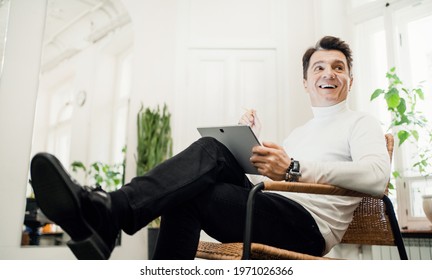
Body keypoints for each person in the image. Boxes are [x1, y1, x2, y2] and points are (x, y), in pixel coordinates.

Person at [29, 36, 390, 260]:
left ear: (350, 80)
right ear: (306, 82)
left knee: (192, 192)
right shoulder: (301, 131)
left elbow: (376, 177)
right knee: (212, 149)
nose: (329, 73)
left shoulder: (361, 123)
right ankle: (111, 213)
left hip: (308, 229)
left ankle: (110, 214)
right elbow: (278, 181)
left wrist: (293, 167)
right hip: (270, 207)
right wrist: (254, 142)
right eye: (319, 67)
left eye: (339, 67)